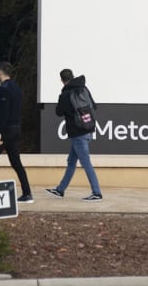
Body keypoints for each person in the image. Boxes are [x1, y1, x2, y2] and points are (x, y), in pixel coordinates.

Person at [46, 69, 103, 202]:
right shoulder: (84, 88)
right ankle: (60, 190)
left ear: (62, 80)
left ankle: (97, 192)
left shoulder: (65, 94)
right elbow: (93, 106)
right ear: (72, 76)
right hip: (88, 129)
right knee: (71, 162)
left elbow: (58, 112)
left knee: (86, 163)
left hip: (77, 134)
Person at [0, 61, 33, 203]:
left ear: (0, 72)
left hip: (5, 131)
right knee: (16, 162)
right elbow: (11, 105)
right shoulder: (16, 87)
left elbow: (3, 112)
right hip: (16, 129)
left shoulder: (4, 89)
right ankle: (27, 193)